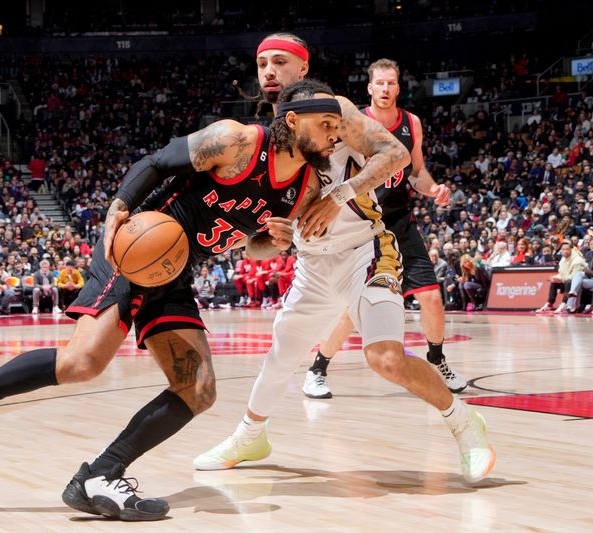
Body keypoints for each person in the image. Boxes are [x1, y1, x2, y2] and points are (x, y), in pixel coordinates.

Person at [0, 79, 357, 520]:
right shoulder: (235, 140)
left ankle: (99, 476)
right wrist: (118, 210)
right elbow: (156, 163)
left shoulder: (306, 189)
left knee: (198, 390)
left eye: (338, 127)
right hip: (138, 246)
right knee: (82, 362)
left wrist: (272, 243)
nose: (337, 135)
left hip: (175, 270)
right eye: (328, 124)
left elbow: (248, 243)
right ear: (294, 121)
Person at [194, 46, 494, 485]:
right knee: (280, 357)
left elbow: (396, 155)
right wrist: (267, 241)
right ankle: (249, 436)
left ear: (303, 68)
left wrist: (339, 196)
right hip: (312, 265)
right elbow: (255, 247)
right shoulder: (257, 140)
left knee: (385, 358)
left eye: (280, 62)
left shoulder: (338, 113)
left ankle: (465, 423)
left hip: (365, 251)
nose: (270, 72)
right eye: (261, 64)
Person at [301, 58, 467, 399]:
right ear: (370, 88)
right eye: (380, 83)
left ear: (398, 86)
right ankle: (317, 368)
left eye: (392, 83)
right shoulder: (354, 123)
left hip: (399, 222)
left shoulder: (412, 123)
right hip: (364, 225)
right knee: (354, 309)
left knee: (432, 297)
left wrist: (433, 188)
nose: (386, 88)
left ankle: (436, 360)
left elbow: (417, 173)